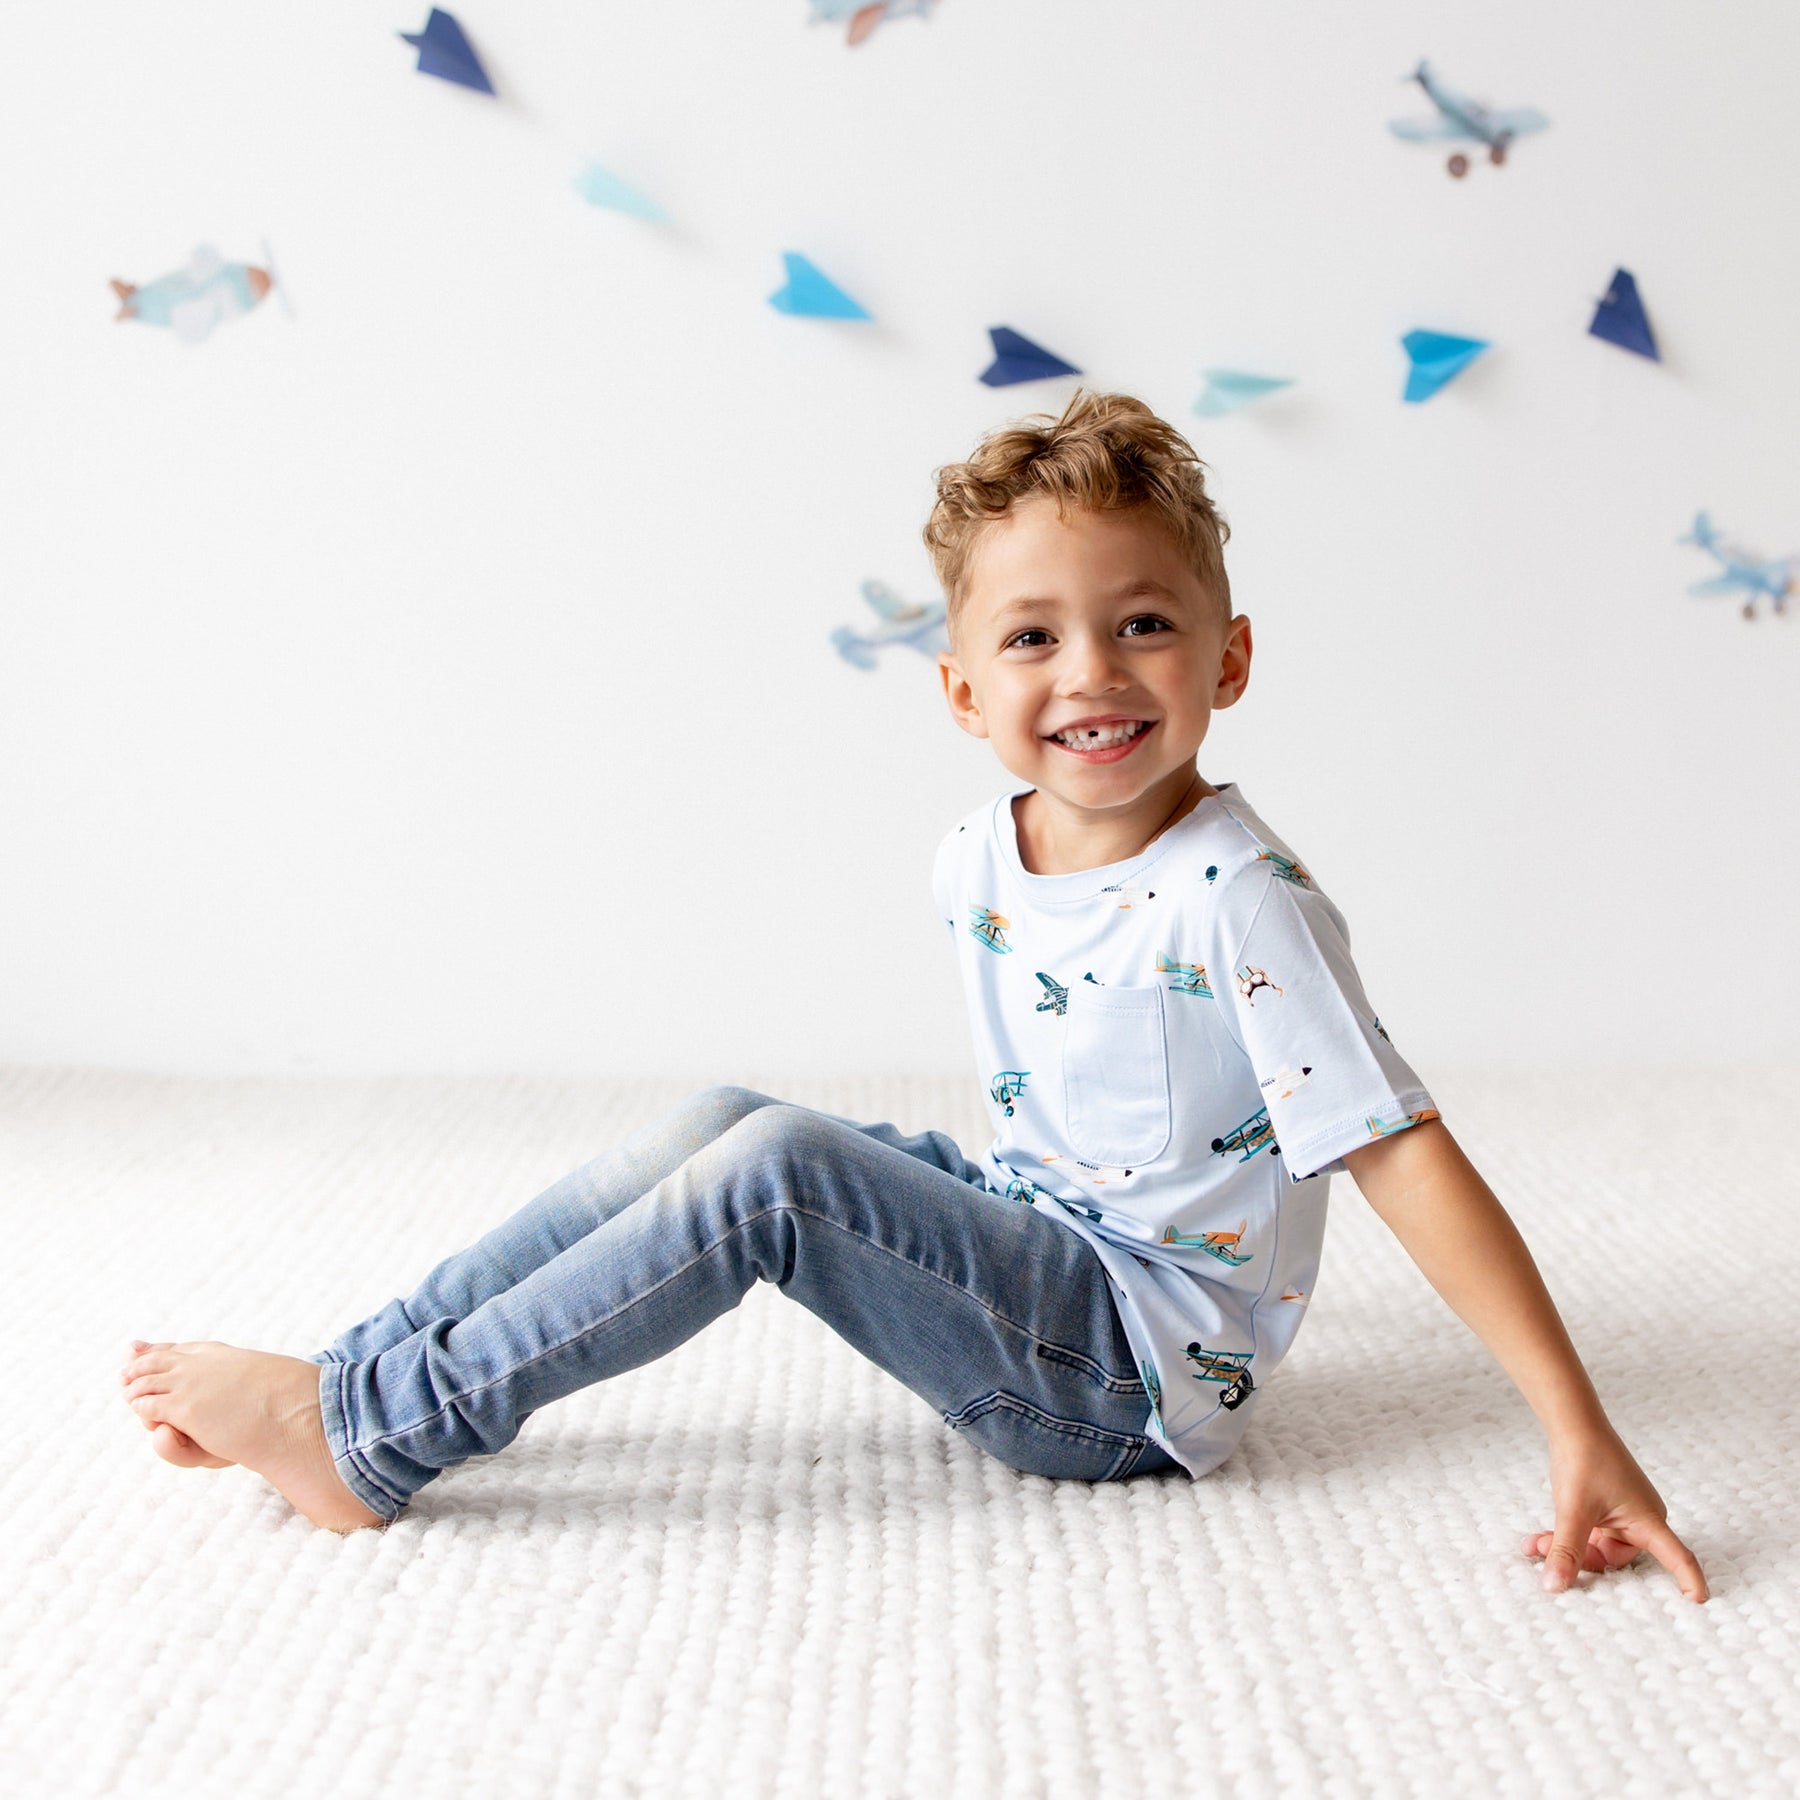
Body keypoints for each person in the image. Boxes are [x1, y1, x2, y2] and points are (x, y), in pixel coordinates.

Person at [118, 390, 1708, 1602]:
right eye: (1034, 637)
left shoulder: (1238, 900)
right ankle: (353, 1375)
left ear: (1227, 659)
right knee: (726, 1118)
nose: (1089, 672)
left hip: (1125, 1379)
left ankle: (384, 1436)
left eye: (1143, 625)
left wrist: (1573, 1419)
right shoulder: (980, 854)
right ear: (963, 692)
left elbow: (1394, 1147)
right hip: (1044, 1238)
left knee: (777, 1179)